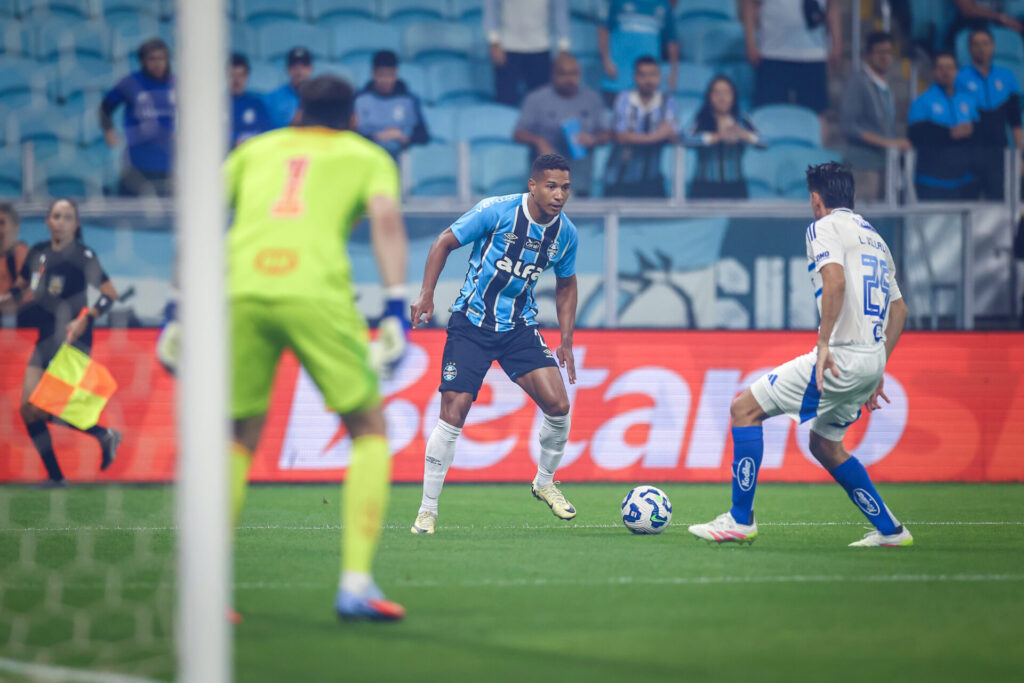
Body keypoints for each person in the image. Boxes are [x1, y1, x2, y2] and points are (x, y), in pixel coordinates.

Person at [225, 75, 409, 621]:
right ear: (354, 117)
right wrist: (395, 306)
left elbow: (200, 215)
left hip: (239, 291)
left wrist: (177, 307)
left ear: (298, 111)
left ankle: (207, 592)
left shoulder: (252, 149)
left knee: (235, 437)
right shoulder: (368, 155)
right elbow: (387, 220)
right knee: (369, 429)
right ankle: (355, 583)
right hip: (315, 294)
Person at [689, 162, 913, 548]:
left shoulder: (822, 226)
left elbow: (835, 281)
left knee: (744, 408)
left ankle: (740, 520)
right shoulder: (876, 238)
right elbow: (900, 310)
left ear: (815, 199)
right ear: (853, 198)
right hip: (871, 358)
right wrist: (877, 368)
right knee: (824, 444)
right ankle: (892, 531)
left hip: (840, 357)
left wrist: (825, 343)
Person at [408, 153, 579, 535]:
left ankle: (545, 481)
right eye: (551, 186)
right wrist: (426, 295)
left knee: (559, 405)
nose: (559, 195)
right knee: (453, 413)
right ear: (532, 185)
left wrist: (566, 340)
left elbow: (566, 284)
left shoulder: (565, 234)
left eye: (565, 188)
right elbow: (443, 243)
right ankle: (427, 510)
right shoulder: (497, 212)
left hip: (519, 326)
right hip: (471, 323)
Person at [0, 199, 122, 486]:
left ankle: (94, 444)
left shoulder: (84, 255)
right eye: (56, 216)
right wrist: (6, 299)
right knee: (29, 410)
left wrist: (86, 318)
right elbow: (20, 290)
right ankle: (80, 456)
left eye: (67, 217)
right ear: (47, 220)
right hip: (46, 333)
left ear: (75, 224)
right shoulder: (38, 253)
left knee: (45, 405)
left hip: (72, 335)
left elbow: (109, 294)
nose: (61, 221)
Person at [514, 53, 611, 197]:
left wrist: (592, 139)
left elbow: (607, 135)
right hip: (544, 185)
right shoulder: (536, 99)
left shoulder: (592, 99)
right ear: (553, 74)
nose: (569, 79)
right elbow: (518, 134)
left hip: (580, 182)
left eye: (573, 73)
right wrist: (538, 141)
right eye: (563, 74)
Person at [742, 0, 840, 143]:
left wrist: (837, 42)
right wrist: (750, 42)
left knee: (817, 112)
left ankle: (818, 157)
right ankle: (765, 157)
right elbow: (749, 4)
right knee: (767, 111)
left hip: (813, 53)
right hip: (772, 52)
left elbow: (833, 7)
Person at [839, 32, 911, 202]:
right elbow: (848, 126)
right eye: (880, 52)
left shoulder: (885, 85)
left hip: (884, 164)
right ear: (868, 55)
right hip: (862, 166)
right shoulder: (858, 82)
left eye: (888, 52)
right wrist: (889, 143)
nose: (885, 57)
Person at [100, 38, 176, 197]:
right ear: (142, 61)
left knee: (169, 216)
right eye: (152, 59)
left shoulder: (178, 84)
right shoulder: (130, 83)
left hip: (169, 166)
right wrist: (109, 130)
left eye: (161, 58)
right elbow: (105, 108)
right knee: (127, 213)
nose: (157, 63)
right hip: (136, 165)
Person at [956, 27, 1022, 200]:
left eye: (985, 43)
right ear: (969, 48)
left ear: (993, 46)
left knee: (998, 200)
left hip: (999, 152)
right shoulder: (959, 78)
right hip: (969, 152)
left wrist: (1020, 156)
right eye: (976, 44)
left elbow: (1015, 122)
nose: (981, 48)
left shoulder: (1007, 78)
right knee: (969, 201)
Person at [908, 52, 980, 200]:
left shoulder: (968, 101)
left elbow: (978, 133)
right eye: (940, 68)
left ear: (957, 71)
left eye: (950, 67)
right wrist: (950, 133)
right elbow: (916, 134)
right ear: (934, 71)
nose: (945, 72)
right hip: (932, 182)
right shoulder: (922, 101)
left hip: (964, 181)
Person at [604, 56, 678, 198]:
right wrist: (656, 136)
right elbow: (621, 136)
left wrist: (635, 137)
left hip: (653, 178)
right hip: (622, 176)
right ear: (635, 77)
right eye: (643, 75)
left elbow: (672, 134)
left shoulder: (667, 101)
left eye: (652, 75)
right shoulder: (624, 99)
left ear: (659, 77)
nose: (648, 80)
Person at [683, 75, 760, 200]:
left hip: (736, 187)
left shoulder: (742, 120)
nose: (722, 98)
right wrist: (717, 137)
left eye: (726, 92)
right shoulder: (701, 119)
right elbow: (685, 140)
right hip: (704, 187)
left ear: (733, 96)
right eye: (717, 93)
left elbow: (763, 142)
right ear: (709, 96)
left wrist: (743, 134)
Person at [484, 0, 570, 106]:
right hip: (508, 47)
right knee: (504, 101)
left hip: (540, 47)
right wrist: (494, 41)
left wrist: (563, 47)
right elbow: (491, 7)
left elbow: (560, 11)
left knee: (541, 103)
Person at [598, 0, 678, 105]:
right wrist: (606, 60)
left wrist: (674, 72)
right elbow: (603, 30)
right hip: (619, 77)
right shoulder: (617, 2)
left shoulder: (663, 5)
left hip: (648, 80)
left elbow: (671, 41)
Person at [354, 50, 429, 160]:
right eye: (381, 75)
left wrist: (403, 138)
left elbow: (423, 136)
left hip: (402, 157)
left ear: (396, 73)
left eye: (389, 75)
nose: (385, 80)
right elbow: (350, 135)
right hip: (366, 156)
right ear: (373, 73)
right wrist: (377, 137)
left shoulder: (409, 100)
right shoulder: (359, 99)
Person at [264, 47, 313, 129]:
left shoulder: (320, 97)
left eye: (304, 66)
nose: (299, 71)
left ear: (310, 69)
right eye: (295, 66)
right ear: (287, 69)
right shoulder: (272, 98)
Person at [230, 53, 272, 149]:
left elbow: (268, 132)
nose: (236, 80)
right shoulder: (218, 105)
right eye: (232, 75)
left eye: (240, 75)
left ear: (247, 77)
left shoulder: (256, 104)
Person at [1, 202, 29, 323]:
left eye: (2, 223)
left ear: (16, 227)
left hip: (20, 316)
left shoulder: (25, 255)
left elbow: (32, 289)